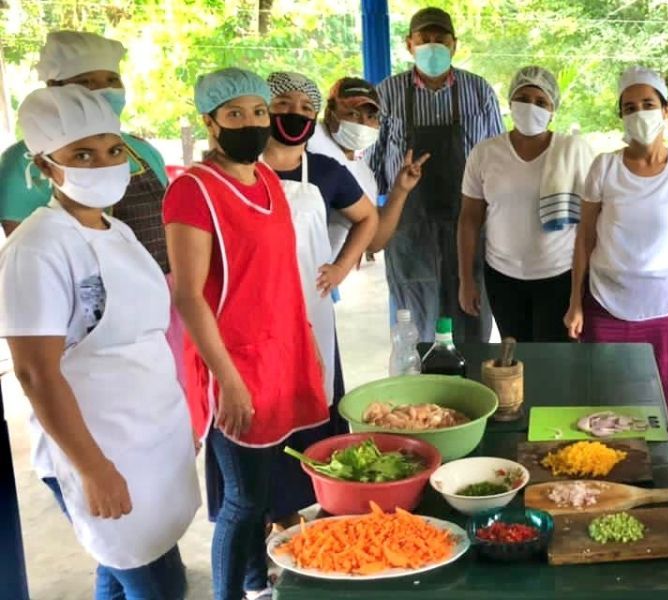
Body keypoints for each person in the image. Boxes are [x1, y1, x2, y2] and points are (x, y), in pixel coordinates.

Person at [0, 85, 198, 600]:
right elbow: (35, 373)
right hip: (100, 447)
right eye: (82, 154)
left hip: (149, 439)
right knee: (158, 586)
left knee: (120, 567)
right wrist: (93, 468)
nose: (103, 164)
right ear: (47, 166)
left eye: (113, 150)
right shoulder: (39, 247)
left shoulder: (117, 230)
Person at [163, 67, 327, 600]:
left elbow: (280, 281)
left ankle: (257, 588)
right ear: (210, 123)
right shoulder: (194, 191)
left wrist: (305, 348)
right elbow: (189, 295)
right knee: (242, 501)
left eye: (258, 112)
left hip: (280, 354)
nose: (251, 123)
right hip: (234, 365)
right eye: (235, 114)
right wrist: (227, 379)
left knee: (264, 492)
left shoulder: (268, 183)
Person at [563, 66, 668, 412]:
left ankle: (651, 466)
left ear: (666, 110)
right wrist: (575, 302)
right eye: (629, 107)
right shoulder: (604, 167)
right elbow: (584, 238)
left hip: (662, 307)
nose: (639, 113)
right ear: (622, 116)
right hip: (604, 303)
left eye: (647, 103)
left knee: (652, 403)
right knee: (599, 400)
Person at [369, 6, 504, 342]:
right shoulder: (387, 94)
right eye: (423, 39)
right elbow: (371, 165)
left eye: (440, 39)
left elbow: (499, 163)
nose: (432, 45)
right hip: (408, 227)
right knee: (415, 321)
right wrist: (368, 227)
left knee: (471, 314)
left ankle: (473, 391)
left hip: (471, 223)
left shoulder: (479, 91)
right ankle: (418, 391)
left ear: (454, 44)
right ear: (409, 44)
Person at [0, 31, 170, 270]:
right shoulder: (19, 163)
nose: (104, 90)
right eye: (85, 82)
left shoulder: (143, 150)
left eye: (112, 80)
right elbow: (31, 259)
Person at [458, 66, 594, 342]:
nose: (531, 106)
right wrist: (466, 281)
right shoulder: (485, 153)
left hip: (559, 275)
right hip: (502, 277)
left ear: (552, 109)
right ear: (510, 103)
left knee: (554, 359)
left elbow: (592, 221)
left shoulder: (572, 151)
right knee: (515, 355)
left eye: (541, 101)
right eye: (523, 98)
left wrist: (582, 289)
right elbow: (469, 220)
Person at [308, 77, 386, 256]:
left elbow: (372, 241)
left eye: (370, 116)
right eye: (352, 114)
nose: (363, 123)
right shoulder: (311, 137)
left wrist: (400, 190)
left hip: (323, 275)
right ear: (330, 113)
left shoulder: (366, 176)